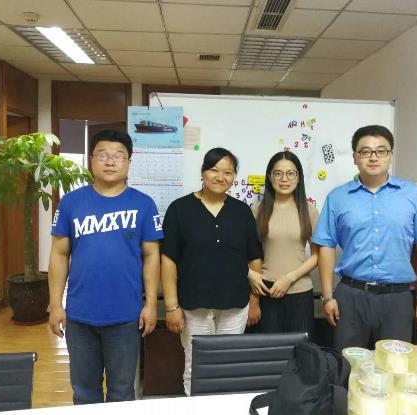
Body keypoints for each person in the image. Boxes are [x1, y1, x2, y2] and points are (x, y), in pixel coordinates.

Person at [48, 129, 163, 404]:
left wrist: (150, 304)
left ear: (129, 162)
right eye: (102, 155)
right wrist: (55, 304)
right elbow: (59, 254)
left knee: (122, 392)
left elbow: (152, 256)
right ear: (91, 160)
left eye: (118, 156)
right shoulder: (71, 203)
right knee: (84, 392)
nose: (110, 161)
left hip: (126, 316)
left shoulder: (144, 204)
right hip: (80, 316)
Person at [312, 125, 417, 351]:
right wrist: (327, 297)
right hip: (350, 297)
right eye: (365, 151)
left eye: (381, 151)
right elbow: (326, 247)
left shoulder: (413, 195)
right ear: (355, 157)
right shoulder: (338, 197)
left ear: (390, 155)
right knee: (348, 363)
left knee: (395, 365)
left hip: (397, 299)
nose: (373, 157)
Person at [161, 147, 263, 395]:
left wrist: (254, 301)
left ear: (234, 177)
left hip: (235, 305)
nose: (220, 177)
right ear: (203, 172)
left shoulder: (241, 212)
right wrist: (171, 307)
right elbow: (168, 259)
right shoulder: (180, 209)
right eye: (214, 170)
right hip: (194, 304)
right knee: (196, 365)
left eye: (228, 172)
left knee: (229, 366)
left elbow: (254, 257)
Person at [248, 151, 319, 335]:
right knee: (269, 350)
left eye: (290, 173)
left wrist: (289, 278)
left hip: (300, 292)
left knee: (301, 349)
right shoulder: (257, 210)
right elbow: (247, 253)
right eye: (278, 173)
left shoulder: (309, 211)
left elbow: (317, 256)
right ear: (270, 177)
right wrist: (250, 275)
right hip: (265, 291)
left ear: (298, 177)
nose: (284, 179)